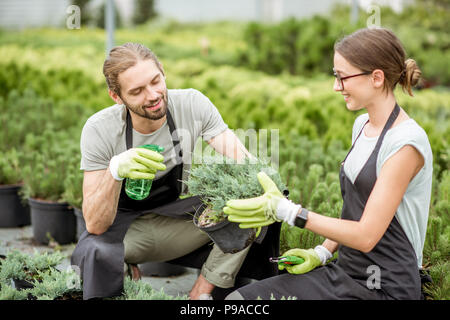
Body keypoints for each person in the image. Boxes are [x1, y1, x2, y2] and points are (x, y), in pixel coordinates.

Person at [223, 27, 433, 300]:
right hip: (346, 271)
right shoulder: (362, 125)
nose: (336, 87)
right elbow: (356, 209)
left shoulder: (405, 143)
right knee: (238, 301)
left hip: (385, 288)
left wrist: (290, 212)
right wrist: (321, 252)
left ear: (377, 78)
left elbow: (367, 235)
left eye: (342, 77)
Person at [70, 42, 255, 300]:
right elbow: (95, 224)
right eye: (137, 91)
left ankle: (201, 291)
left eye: (155, 81)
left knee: (253, 205)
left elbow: (246, 163)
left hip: (176, 223)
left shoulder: (191, 105)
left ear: (163, 71)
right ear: (116, 96)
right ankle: (120, 270)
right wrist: (115, 171)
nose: (153, 95)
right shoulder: (99, 130)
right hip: (126, 234)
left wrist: (271, 192)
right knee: (94, 252)